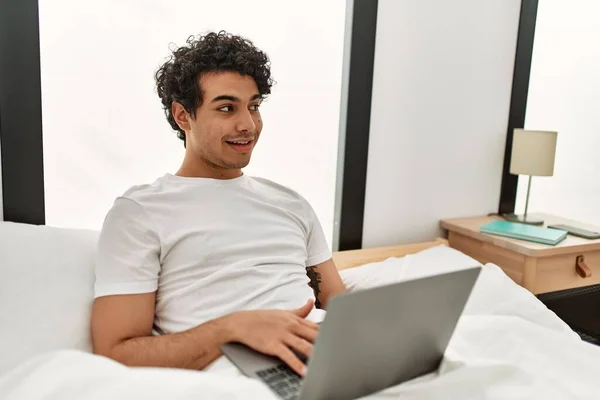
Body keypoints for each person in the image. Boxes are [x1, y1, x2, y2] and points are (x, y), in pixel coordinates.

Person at [90, 31, 347, 378]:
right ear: (183, 116)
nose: (247, 125)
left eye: (253, 106)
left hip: (329, 361)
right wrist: (232, 328)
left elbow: (340, 307)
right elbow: (115, 352)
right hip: (238, 378)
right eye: (227, 108)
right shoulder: (141, 212)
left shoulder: (290, 203)